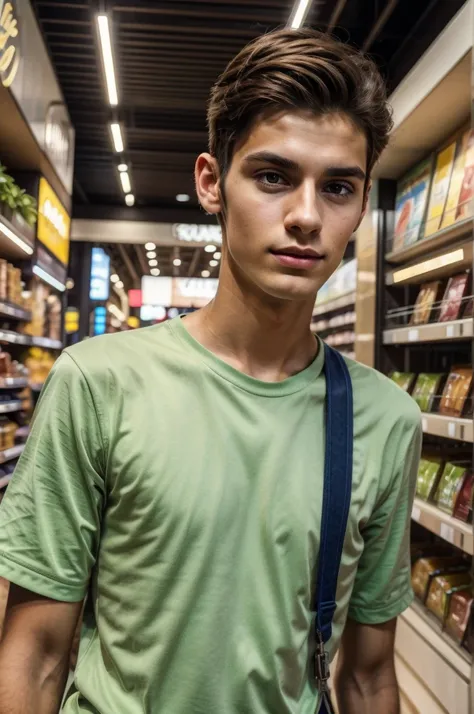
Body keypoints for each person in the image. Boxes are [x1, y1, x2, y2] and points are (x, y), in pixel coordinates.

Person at [0, 28, 421, 714]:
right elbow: (38, 652)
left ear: (360, 204)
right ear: (210, 182)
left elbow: (369, 676)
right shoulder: (99, 385)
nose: (306, 216)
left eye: (338, 187)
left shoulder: (384, 419)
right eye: (272, 176)